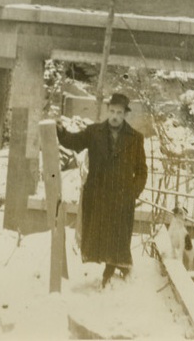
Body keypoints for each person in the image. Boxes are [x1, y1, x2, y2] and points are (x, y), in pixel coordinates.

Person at [56, 91, 148, 287]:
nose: (115, 116)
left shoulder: (136, 138)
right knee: (101, 234)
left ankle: (117, 267)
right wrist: (60, 132)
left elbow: (142, 170)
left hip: (122, 196)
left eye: (120, 113)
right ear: (108, 110)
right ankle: (114, 266)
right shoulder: (94, 132)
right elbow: (73, 142)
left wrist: (133, 192)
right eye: (112, 111)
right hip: (98, 194)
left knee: (119, 235)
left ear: (125, 114)